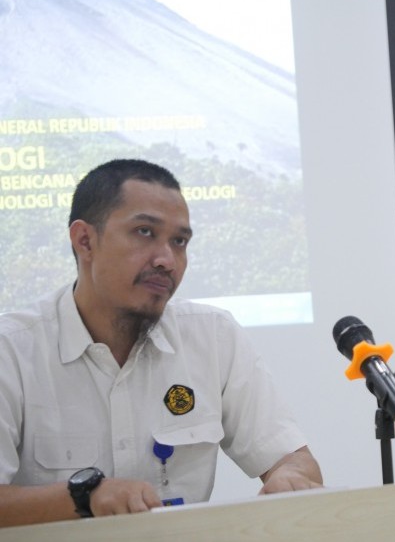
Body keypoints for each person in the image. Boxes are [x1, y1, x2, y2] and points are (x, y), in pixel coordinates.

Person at [0, 159, 323, 527]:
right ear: (85, 240)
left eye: (179, 241)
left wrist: (290, 478)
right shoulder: (11, 351)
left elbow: (293, 460)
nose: (167, 260)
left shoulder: (213, 337)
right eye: (144, 232)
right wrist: (84, 497)